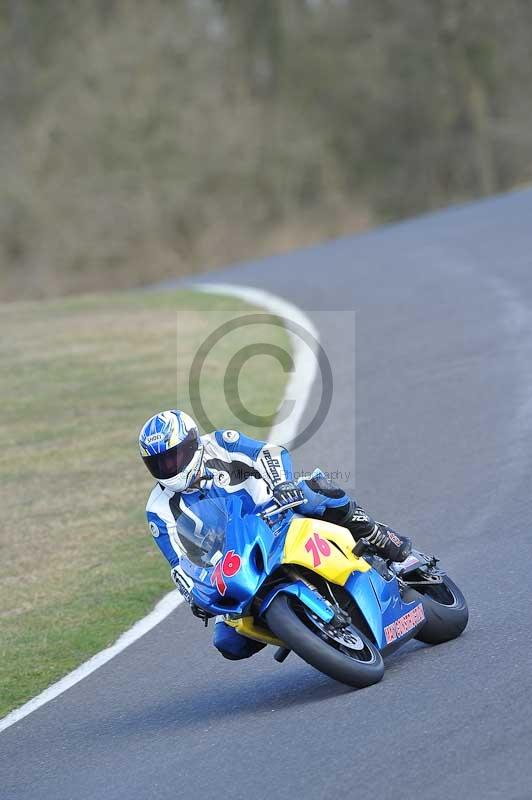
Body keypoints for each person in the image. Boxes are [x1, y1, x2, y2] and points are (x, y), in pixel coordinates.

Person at [139, 409, 411, 660]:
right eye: (159, 463)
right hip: (236, 560)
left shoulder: (221, 443)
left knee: (313, 491)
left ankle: (378, 536)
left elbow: (269, 453)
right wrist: (196, 595)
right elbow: (179, 564)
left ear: (192, 443)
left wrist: (282, 484)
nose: (169, 467)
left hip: (276, 513)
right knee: (229, 643)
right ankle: (301, 626)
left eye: (174, 456)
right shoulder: (158, 509)